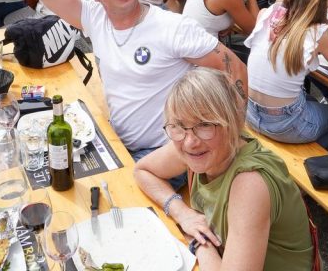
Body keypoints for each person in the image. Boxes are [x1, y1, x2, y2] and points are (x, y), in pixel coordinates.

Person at [19, 0, 247, 172]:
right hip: (116, 142)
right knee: (45, 164)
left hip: (160, 155)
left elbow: (235, 68)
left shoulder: (172, 27)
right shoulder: (96, 18)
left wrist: (227, 140)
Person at [134, 67, 314, 270]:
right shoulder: (196, 144)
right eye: (178, 125)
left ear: (233, 122)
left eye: (205, 124)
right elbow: (142, 171)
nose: (190, 142)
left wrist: (200, 243)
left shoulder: (250, 183)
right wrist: (182, 213)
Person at [246, 0, 328, 146]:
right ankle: (313, 160)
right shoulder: (316, 32)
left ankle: (307, 140)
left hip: (250, 112)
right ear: (323, 2)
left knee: (308, 99)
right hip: (286, 125)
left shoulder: (266, 13)